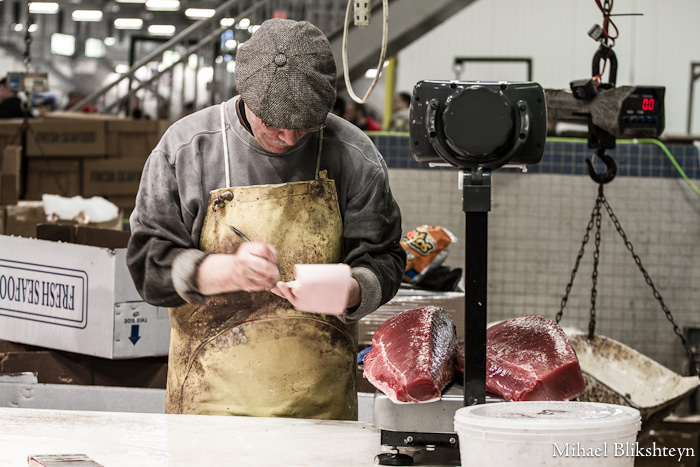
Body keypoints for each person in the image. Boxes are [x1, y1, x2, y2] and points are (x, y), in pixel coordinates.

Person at [127, 18, 405, 420]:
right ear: (246, 95)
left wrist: (353, 289)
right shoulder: (187, 150)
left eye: (304, 127)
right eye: (274, 127)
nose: (290, 140)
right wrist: (224, 271)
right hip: (209, 407)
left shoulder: (353, 154)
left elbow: (386, 258)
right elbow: (146, 265)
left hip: (320, 408)